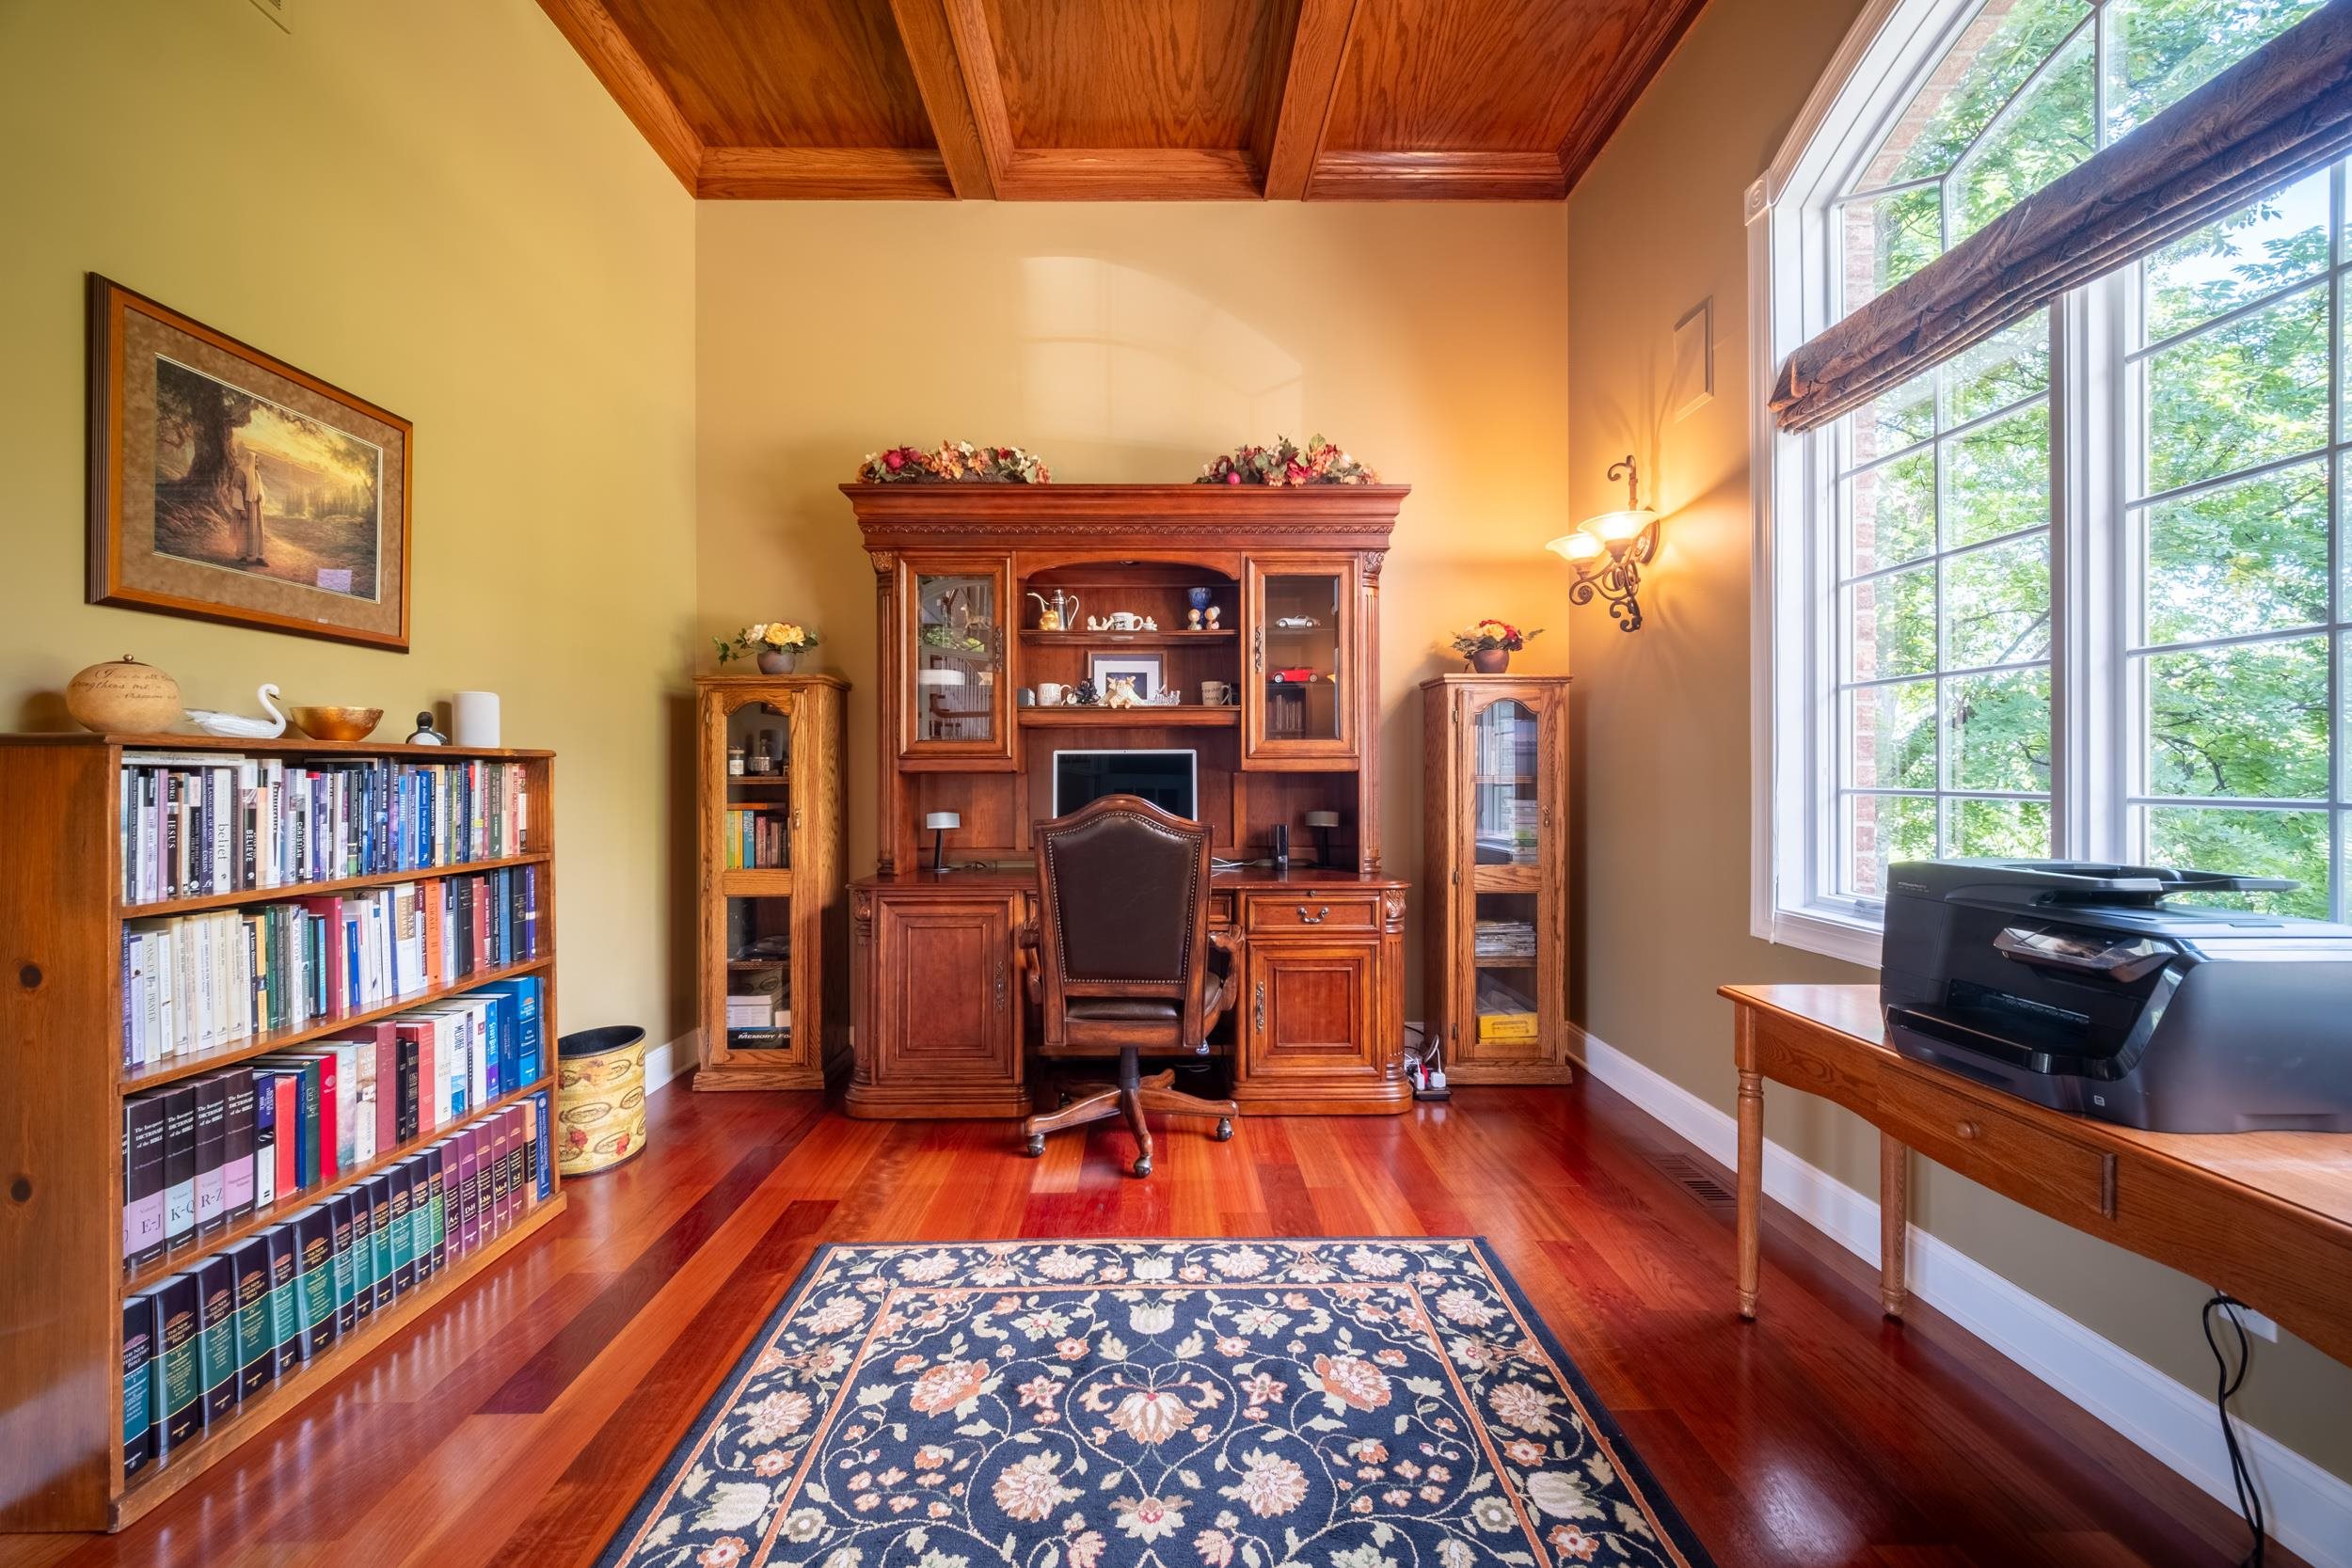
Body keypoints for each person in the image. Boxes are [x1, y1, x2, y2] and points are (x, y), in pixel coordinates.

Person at [235, 451, 267, 565]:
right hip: (246, 505)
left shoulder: (256, 474)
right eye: (256, 461)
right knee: (244, 531)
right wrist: (241, 509)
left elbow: (260, 489)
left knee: (258, 531)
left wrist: (260, 495)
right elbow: (237, 491)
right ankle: (242, 556)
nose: (257, 463)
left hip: (256, 506)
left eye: (258, 461)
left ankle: (260, 556)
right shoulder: (240, 472)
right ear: (251, 460)